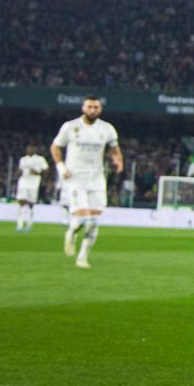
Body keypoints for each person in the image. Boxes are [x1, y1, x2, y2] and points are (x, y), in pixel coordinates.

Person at [50, 97, 122, 270]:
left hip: (97, 178)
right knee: (83, 218)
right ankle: (71, 232)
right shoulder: (70, 127)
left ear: (100, 109)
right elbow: (55, 147)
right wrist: (61, 167)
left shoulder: (107, 129)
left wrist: (118, 160)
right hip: (75, 177)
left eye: (96, 107)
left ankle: (82, 257)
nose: (93, 110)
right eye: (89, 106)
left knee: (94, 222)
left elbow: (114, 148)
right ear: (83, 107)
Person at [15, 145, 50, 233]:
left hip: (34, 183)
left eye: (32, 148)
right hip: (23, 182)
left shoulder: (40, 159)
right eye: (28, 148)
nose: (30, 150)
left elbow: (47, 170)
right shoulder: (23, 159)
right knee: (21, 201)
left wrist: (38, 172)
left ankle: (29, 224)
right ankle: (20, 224)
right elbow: (20, 170)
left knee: (31, 204)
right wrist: (17, 173)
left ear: (35, 149)